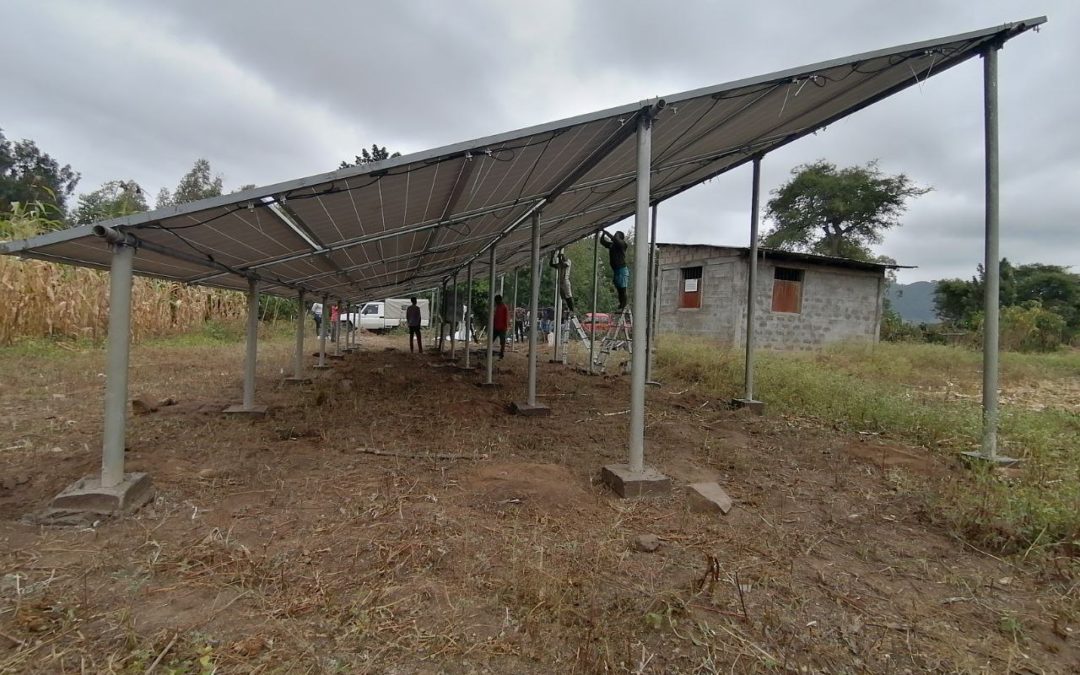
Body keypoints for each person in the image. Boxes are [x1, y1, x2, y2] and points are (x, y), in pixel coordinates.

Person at [599, 230, 629, 311]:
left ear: (621, 238)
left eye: (617, 234)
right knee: (619, 289)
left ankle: (623, 305)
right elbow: (603, 242)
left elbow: (615, 239)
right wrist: (603, 234)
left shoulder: (623, 244)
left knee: (622, 289)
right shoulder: (612, 245)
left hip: (622, 270)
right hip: (616, 270)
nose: (615, 235)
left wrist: (606, 232)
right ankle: (621, 304)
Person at [492, 294, 509, 359]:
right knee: (491, 340)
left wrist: (506, 326)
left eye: (496, 301)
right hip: (496, 327)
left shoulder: (504, 307)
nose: (496, 302)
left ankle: (501, 354)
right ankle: (489, 352)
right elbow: (495, 317)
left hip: (502, 327)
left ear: (499, 300)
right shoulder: (497, 307)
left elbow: (506, 317)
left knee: (502, 342)